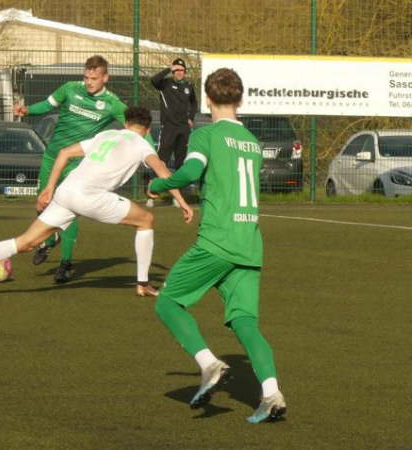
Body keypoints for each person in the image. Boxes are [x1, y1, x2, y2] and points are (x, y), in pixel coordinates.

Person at [147, 68, 286, 424]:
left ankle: (209, 364)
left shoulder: (206, 136)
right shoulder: (252, 142)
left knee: (168, 302)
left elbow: (191, 173)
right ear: (240, 100)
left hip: (217, 240)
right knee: (245, 322)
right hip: (249, 245)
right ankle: (271, 392)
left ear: (207, 100)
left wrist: (160, 186)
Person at [0, 107, 193, 299]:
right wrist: (181, 201)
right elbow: (163, 171)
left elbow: (65, 152)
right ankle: (143, 284)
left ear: (125, 123)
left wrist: (49, 187)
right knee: (146, 220)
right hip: (90, 196)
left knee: (26, 242)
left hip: (66, 192)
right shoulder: (142, 144)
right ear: (147, 129)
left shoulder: (106, 134)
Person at [13, 55, 128, 284]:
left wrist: (148, 149)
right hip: (52, 156)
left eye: (94, 78)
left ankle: (65, 263)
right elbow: (47, 105)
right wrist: (27, 110)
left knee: (69, 205)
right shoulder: (69, 89)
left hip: (77, 163)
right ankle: (51, 238)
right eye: (86, 77)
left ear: (106, 78)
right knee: (42, 203)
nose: (89, 82)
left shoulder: (113, 103)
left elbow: (134, 126)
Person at [148, 57, 198, 208]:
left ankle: (178, 196)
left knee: (181, 163)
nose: (179, 73)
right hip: (169, 127)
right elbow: (154, 80)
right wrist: (169, 69)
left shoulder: (189, 86)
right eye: (177, 70)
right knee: (161, 161)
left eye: (182, 70)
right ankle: (151, 194)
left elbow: (194, 103)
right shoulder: (165, 84)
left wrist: (190, 117)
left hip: (183, 128)